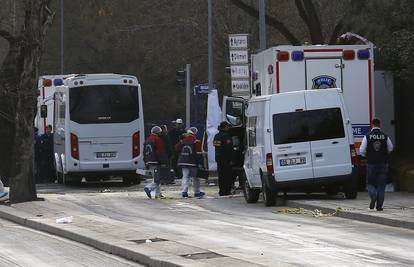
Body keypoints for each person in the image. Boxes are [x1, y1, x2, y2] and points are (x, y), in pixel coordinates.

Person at [360, 118, 393, 211]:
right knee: (381, 186)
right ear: (380, 125)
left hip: (371, 163)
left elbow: (362, 151)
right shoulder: (385, 136)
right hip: (383, 163)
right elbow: (390, 148)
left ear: (372, 125)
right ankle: (379, 206)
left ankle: (373, 195)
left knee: (370, 183)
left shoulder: (367, 136)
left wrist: (369, 154)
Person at [176, 127, 205, 198]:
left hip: (183, 161)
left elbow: (176, 147)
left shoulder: (183, 141)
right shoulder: (196, 141)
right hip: (193, 162)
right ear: (195, 133)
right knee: (196, 177)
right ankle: (197, 192)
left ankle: (184, 192)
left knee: (185, 177)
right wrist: (201, 163)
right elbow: (198, 153)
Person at [143, 126, 168, 199]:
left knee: (156, 177)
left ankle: (158, 194)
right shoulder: (157, 139)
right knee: (158, 178)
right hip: (156, 161)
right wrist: (163, 161)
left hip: (149, 160)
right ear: (158, 132)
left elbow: (144, 152)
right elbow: (160, 151)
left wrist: (145, 162)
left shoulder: (147, 140)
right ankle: (148, 188)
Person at [214, 121, 234, 196]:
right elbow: (229, 149)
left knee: (221, 175)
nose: (228, 128)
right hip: (226, 159)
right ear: (225, 127)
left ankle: (221, 191)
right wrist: (232, 159)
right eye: (227, 126)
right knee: (227, 175)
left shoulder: (216, 136)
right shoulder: (226, 136)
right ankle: (226, 191)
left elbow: (216, 146)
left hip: (219, 158)